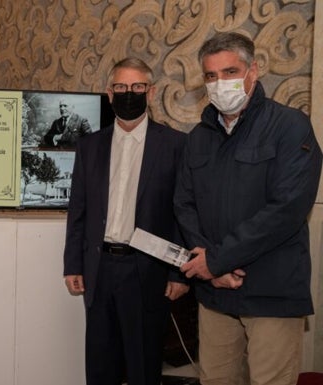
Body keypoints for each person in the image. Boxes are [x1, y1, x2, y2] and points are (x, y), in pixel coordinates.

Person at [174, 32, 322, 385]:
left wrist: (217, 260)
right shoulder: (198, 138)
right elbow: (183, 203)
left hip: (271, 291)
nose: (220, 83)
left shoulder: (290, 126)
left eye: (230, 72)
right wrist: (210, 266)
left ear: (253, 71)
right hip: (215, 294)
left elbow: (286, 210)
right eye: (211, 76)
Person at [63, 57, 189, 385]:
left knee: (143, 366)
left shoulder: (176, 145)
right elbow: (78, 211)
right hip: (99, 269)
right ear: (109, 93)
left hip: (147, 270)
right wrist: (72, 264)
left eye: (136, 87)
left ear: (150, 92)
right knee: (100, 365)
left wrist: (179, 272)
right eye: (121, 87)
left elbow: (183, 213)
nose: (128, 93)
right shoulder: (89, 146)